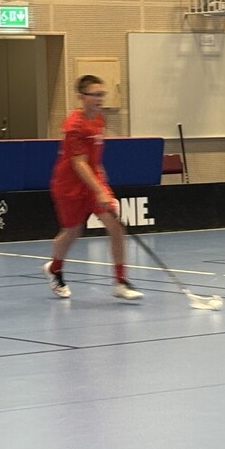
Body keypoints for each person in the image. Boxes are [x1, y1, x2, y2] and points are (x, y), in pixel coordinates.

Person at [43, 75, 143, 302]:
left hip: (92, 182)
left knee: (115, 226)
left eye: (101, 94)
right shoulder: (73, 126)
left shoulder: (98, 119)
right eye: (95, 95)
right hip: (69, 186)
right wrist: (99, 190)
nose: (100, 99)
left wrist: (102, 183)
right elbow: (79, 163)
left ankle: (120, 281)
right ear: (82, 97)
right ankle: (54, 268)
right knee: (72, 231)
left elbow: (93, 159)